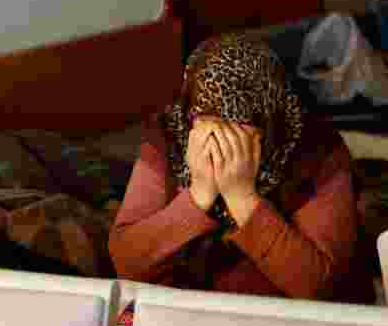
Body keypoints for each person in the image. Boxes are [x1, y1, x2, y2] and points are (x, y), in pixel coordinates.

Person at [109, 33, 372, 303]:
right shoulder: (170, 136)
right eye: (206, 117)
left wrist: (242, 198)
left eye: (235, 122)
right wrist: (198, 195)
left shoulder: (315, 149)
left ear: (267, 118)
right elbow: (127, 264)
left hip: (278, 325)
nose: (219, 138)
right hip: (183, 319)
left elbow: (319, 287)